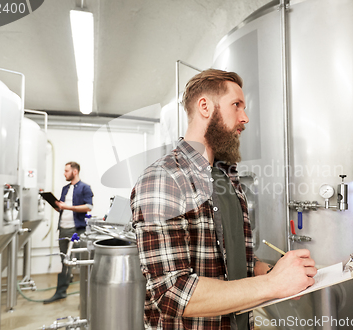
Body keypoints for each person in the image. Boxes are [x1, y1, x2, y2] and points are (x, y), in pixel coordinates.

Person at [130, 69, 317, 329]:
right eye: (236, 105)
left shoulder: (225, 176)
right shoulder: (164, 179)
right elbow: (172, 293)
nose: (246, 117)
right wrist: (273, 284)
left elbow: (237, 263)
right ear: (205, 106)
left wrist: (278, 271)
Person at [44, 161, 94, 304]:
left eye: (66, 171)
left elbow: (88, 207)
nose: (64, 174)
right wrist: (57, 205)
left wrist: (67, 207)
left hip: (76, 230)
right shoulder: (65, 188)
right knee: (64, 261)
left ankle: (87, 296)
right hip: (63, 229)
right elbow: (62, 208)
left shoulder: (85, 188)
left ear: (75, 171)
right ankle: (61, 292)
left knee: (80, 262)